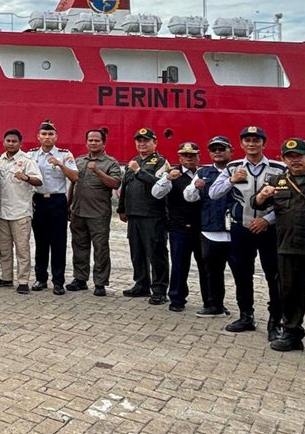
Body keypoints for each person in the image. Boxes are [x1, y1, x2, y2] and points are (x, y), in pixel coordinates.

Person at [257, 139, 305, 355]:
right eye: (290, 157)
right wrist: (262, 195)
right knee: (289, 294)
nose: (295, 160)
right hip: (287, 247)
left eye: (299, 155)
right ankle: (291, 333)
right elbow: (257, 203)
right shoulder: (276, 180)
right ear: (283, 159)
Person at [209, 125, 282, 335]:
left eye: (256, 140)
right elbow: (213, 193)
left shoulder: (278, 169)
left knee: (274, 275)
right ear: (241, 144)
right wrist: (231, 180)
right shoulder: (232, 167)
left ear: (264, 143)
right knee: (242, 274)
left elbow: (287, 202)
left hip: (269, 229)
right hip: (242, 228)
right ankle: (246, 316)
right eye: (247, 140)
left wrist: (267, 220)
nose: (252, 144)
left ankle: (275, 321)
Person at [184, 136, 235, 316]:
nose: (218, 152)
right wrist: (195, 188)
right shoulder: (203, 173)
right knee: (212, 272)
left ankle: (246, 311)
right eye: (214, 149)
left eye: (222, 148)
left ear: (231, 151)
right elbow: (188, 197)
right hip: (211, 230)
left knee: (242, 273)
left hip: (236, 230)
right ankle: (214, 305)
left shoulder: (239, 170)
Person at [117, 127, 169, 303]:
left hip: (153, 215)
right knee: (137, 252)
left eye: (146, 140)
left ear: (155, 143)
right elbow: (125, 186)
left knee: (156, 252)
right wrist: (122, 208)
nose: (142, 143)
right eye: (139, 141)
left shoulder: (161, 162)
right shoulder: (133, 161)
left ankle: (160, 289)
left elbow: (159, 185)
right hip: (134, 214)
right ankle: (141, 284)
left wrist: (139, 171)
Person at [68, 129, 120, 297]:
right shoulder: (79, 161)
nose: (93, 142)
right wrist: (68, 205)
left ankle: (100, 282)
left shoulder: (110, 163)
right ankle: (80, 279)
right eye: (90, 140)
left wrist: (97, 171)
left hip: (98, 214)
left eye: (96, 140)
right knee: (79, 247)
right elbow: (73, 184)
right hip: (78, 211)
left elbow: (115, 184)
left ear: (103, 143)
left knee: (100, 249)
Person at [28, 121, 78, 294]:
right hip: (38, 200)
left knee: (58, 243)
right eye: (44, 134)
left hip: (57, 201)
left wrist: (60, 164)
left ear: (56, 137)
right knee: (40, 242)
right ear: (38, 137)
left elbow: (75, 177)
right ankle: (40, 279)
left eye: (50, 134)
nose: (47, 137)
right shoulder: (31, 155)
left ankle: (58, 281)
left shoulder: (65, 154)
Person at [153, 141, 203, 312]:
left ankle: (212, 301)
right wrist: (167, 178)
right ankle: (177, 298)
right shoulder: (172, 173)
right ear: (179, 157)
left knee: (206, 266)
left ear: (198, 157)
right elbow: (156, 193)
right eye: (185, 155)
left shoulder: (205, 173)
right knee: (180, 264)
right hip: (179, 226)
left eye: (192, 155)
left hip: (202, 227)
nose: (189, 159)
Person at [0, 129, 38, 293]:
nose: (11, 143)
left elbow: (38, 180)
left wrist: (26, 177)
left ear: (20, 143)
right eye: (8, 141)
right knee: (4, 248)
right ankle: (6, 278)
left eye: (14, 141)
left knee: (22, 249)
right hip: (1, 211)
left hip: (20, 211)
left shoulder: (27, 160)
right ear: (4, 142)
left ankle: (23, 281)